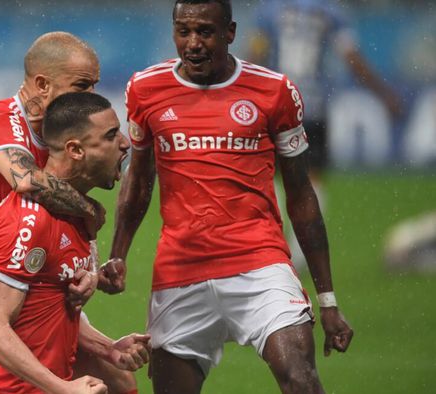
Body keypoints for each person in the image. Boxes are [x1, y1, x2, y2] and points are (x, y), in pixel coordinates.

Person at [103, 1, 354, 393]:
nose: (194, 43)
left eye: (205, 31)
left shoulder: (274, 91)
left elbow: (302, 196)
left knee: (301, 381)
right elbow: (137, 182)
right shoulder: (145, 89)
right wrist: (118, 253)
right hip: (180, 271)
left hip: (259, 263)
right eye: (183, 32)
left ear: (231, 33)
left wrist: (328, 300)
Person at [0, 32, 138, 394]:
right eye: (81, 85)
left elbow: (61, 215)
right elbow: (30, 183)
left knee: (114, 379)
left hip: (27, 287)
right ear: (42, 84)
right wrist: (91, 210)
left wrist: (89, 269)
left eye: (94, 85)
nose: (89, 97)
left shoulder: (59, 137)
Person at [0, 91, 149, 394]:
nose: (124, 143)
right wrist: (62, 388)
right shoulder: (30, 222)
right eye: (110, 136)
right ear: (75, 150)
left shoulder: (78, 211)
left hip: (49, 386)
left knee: (123, 383)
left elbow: (46, 307)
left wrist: (108, 348)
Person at [247, 0, 402, 266]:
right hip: (312, 105)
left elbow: (255, 55)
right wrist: (383, 92)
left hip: (274, 104)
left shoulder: (271, 9)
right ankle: (300, 252)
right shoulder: (331, 11)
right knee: (312, 178)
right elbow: (352, 58)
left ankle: (273, 244)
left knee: (267, 173)